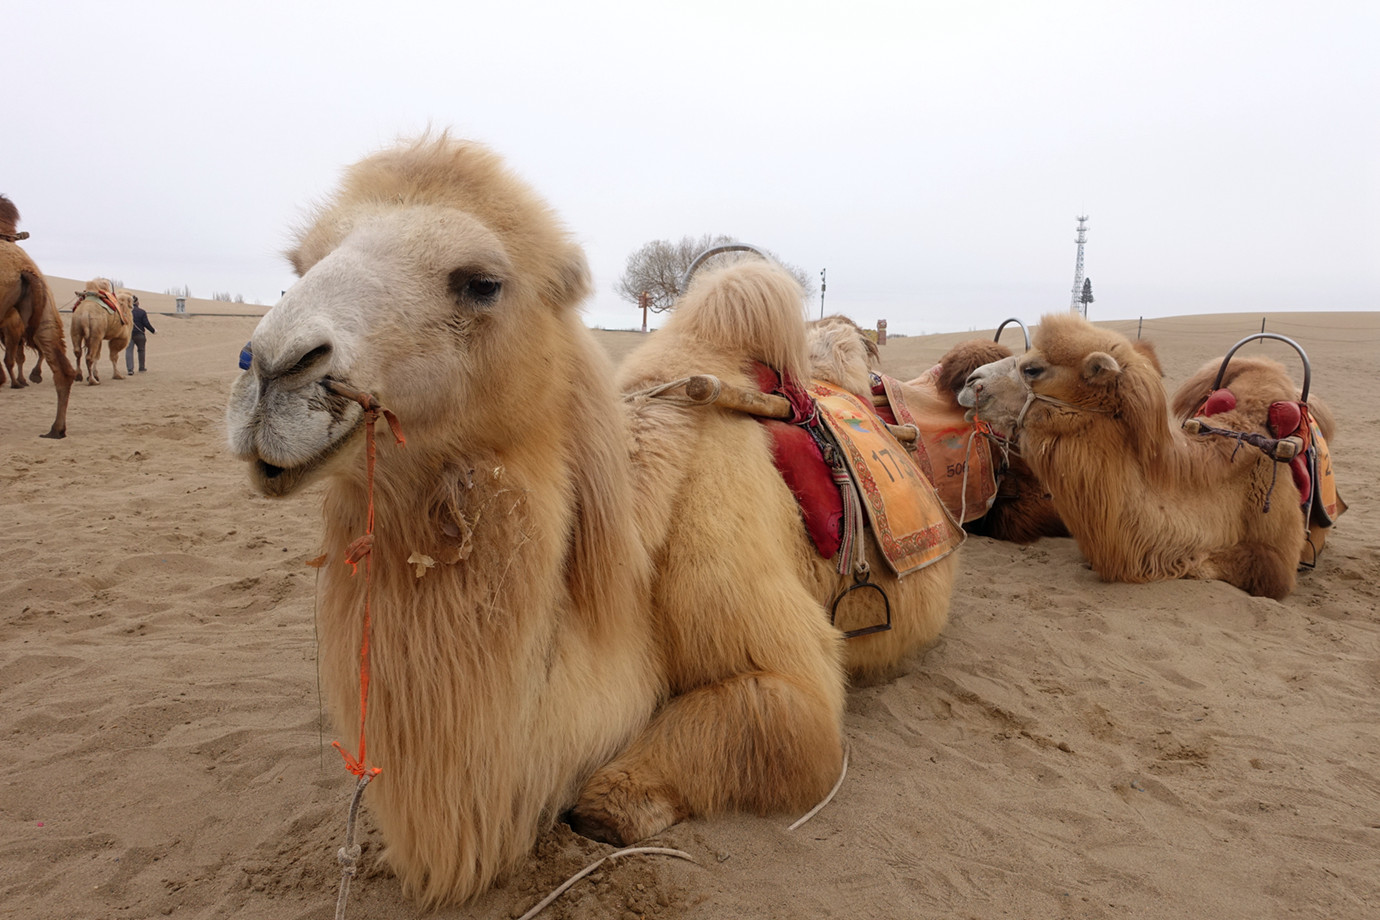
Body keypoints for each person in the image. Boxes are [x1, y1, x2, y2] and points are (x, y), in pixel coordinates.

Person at [125, 295, 156, 373]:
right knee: (141, 350)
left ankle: (130, 369)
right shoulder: (142, 311)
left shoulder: (126, 312)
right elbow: (146, 323)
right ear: (137, 302)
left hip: (129, 334)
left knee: (129, 351)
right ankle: (141, 368)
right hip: (140, 334)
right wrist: (153, 331)